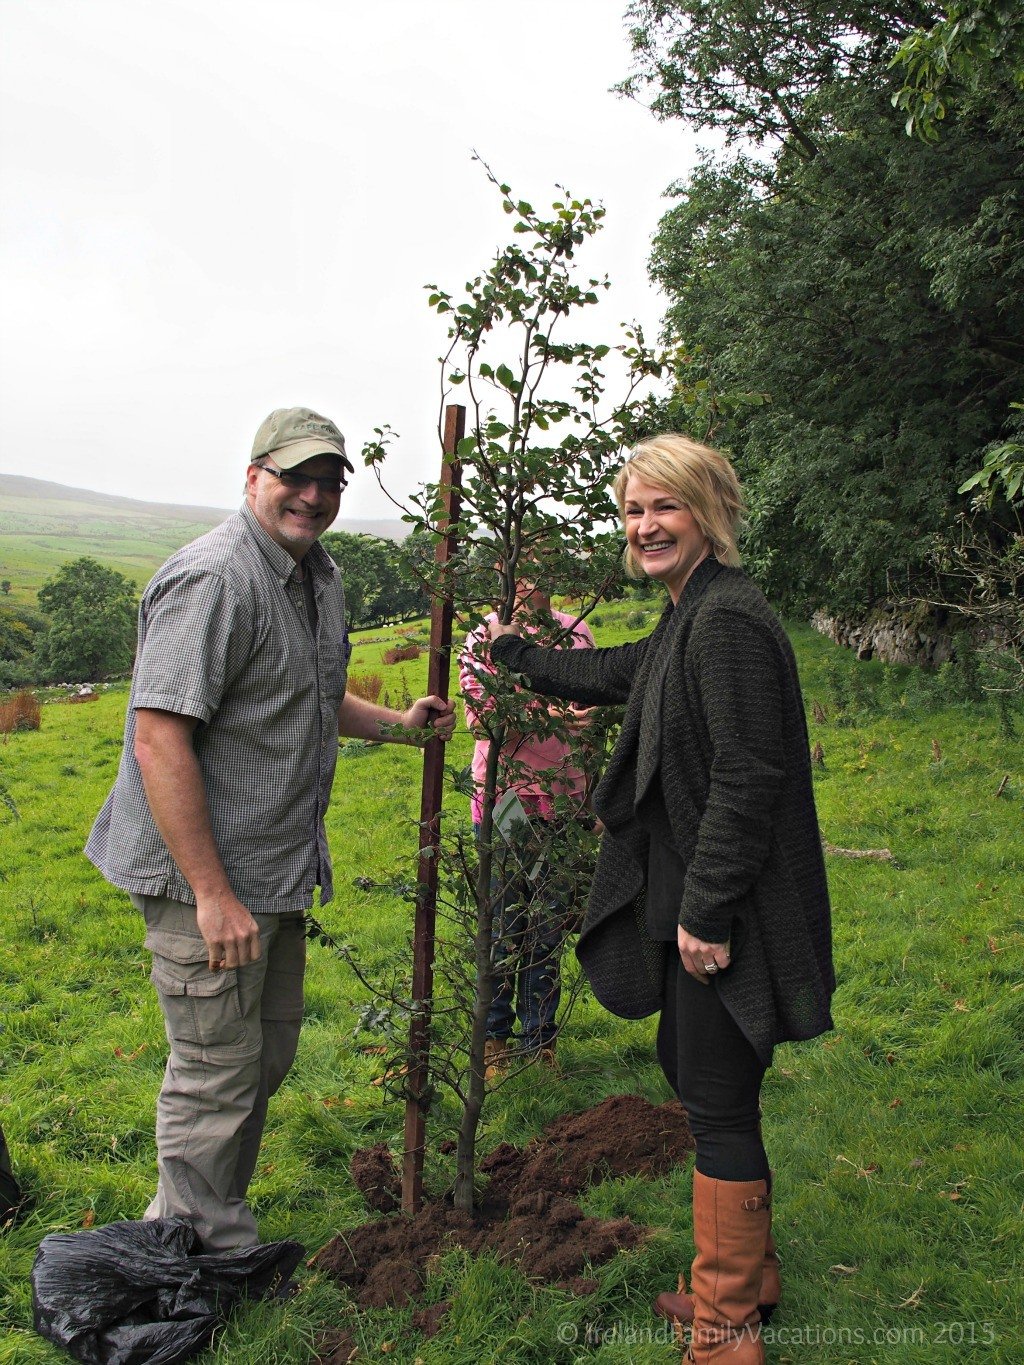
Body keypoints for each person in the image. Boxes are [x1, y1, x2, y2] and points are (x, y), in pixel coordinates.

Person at [489, 434, 834, 1365]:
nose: (645, 525)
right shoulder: (692, 614)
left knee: (716, 1098)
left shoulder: (723, 623)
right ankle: (748, 1277)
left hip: (726, 904)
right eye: (634, 510)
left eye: (664, 507)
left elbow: (750, 774)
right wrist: (518, 653)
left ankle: (726, 1330)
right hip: (697, 891)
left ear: (708, 510)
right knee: (698, 1075)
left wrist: (708, 910)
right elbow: (612, 673)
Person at [85, 406, 455, 1252]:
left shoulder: (315, 573)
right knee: (216, 1070)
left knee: (264, 1054)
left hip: (275, 870)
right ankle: (196, 1251)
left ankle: (199, 1215)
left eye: (330, 482)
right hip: (203, 879)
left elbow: (311, 696)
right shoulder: (215, 578)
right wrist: (212, 895)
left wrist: (400, 723)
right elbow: (158, 736)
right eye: (296, 477)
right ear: (254, 477)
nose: (314, 495)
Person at [459, 564, 595, 1077]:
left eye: (536, 571)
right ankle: (493, 1041)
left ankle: (539, 1042)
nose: (522, 583)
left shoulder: (576, 632)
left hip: (565, 801)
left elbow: (593, 715)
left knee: (549, 923)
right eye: (512, 572)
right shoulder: (484, 638)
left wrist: (593, 796)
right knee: (503, 921)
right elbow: (481, 716)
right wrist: (558, 716)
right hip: (507, 801)